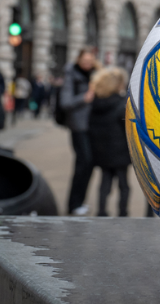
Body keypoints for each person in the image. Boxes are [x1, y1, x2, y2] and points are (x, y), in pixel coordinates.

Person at [61, 46, 100, 216]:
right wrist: (84, 98)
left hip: (92, 125)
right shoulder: (71, 74)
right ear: (78, 60)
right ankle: (73, 203)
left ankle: (80, 201)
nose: (87, 64)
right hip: (78, 126)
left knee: (89, 163)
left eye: (90, 61)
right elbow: (65, 102)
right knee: (83, 162)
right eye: (84, 61)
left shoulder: (94, 73)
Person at [88, 66, 131, 217]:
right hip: (120, 151)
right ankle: (123, 212)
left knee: (104, 184)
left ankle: (101, 211)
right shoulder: (121, 104)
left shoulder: (95, 104)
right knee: (124, 185)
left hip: (102, 151)